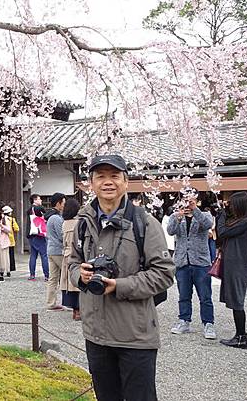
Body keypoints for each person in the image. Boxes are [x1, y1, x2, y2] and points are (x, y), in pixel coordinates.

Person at [68, 154, 174, 401]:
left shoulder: (144, 223)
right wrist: (80, 276)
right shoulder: (83, 223)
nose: (108, 182)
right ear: (91, 184)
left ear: (126, 183)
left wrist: (119, 286)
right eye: (100, 177)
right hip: (96, 334)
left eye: (114, 176)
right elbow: (71, 263)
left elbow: (164, 273)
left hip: (135, 337)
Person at [167, 193, 216, 339]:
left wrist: (195, 210)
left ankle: (208, 323)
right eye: (185, 200)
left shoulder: (205, 214)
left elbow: (208, 225)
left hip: (200, 261)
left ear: (197, 201)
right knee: (183, 295)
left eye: (190, 200)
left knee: (205, 295)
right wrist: (177, 217)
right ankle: (184, 320)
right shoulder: (176, 216)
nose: (187, 203)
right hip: (182, 261)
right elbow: (170, 231)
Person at [217, 192, 247, 349]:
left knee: (237, 301)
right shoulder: (239, 221)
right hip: (234, 265)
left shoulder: (245, 222)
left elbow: (222, 232)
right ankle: (239, 335)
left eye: (231, 204)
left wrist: (222, 215)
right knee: (234, 301)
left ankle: (241, 338)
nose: (229, 206)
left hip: (238, 266)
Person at [60, 198, 81, 320]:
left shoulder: (65, 223)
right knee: (78, 282)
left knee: (69, 284)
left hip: (66, 254)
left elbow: (63, 241)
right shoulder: (79, 222)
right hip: (76, 254)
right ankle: (79, 310)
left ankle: (74, 310)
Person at [46, 192, 67, 310]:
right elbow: (61, 235)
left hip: (51, 249)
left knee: (53, 278)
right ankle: (68, 302)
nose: (64, 205)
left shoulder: (50, 217)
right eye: (63, 202)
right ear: (59, 203)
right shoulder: (57, 218)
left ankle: (51, 303)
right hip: (58, 250)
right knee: (65, 276)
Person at [27, 194, 49, 281]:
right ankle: (47, 275)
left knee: (33, 255)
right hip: (39, 234)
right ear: (35, 200)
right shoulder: (39, 208)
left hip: (31, 234)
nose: (41, 201)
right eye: (39, 199)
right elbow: (46, 215)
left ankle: (32, 274)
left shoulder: (29, 209)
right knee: (44, 255)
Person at [1, 205, 19, 277]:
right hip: (10, 240)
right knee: (10, 256)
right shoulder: (11, 219)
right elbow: (16, 228)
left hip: (2, 240)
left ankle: (2, 270)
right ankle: (9, 271)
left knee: (3, 256)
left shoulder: (0, 219)